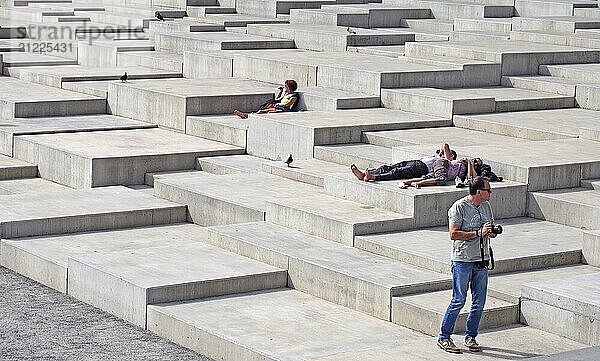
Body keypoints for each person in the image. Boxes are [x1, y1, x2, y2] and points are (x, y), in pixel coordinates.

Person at [437, 176, 498, 354]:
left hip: (481, 260)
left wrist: (490, 232)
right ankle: (444, 337)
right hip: (462, 260)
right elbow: (453, 234)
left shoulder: (486, 206)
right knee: (458, 300)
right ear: (479, 191)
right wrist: (478, 233)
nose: (491, 193)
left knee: (479, 303)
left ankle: (471, 336)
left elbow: (489, 227)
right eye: (488, 190)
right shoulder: (459, 207)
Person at [350, 144, 457, 182]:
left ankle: (373, 177)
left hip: (422, 168)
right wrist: (439, 153)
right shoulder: (437, 157)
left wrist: (444, 152)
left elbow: (445, 145)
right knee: (388, 167)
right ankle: (364, 174)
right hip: (416, 162)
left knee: (397, 172)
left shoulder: (448, 162)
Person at [399, 154, 478, 189]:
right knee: (441, 179)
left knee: (426, 178)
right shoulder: (462, 163)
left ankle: (405, 183)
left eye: (477, 164)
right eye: (474, 160)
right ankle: (418, 184)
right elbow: (445, 146)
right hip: (444, 164)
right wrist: (467, 162)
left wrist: (470, 165)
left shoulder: (467, 170)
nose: (475, 163)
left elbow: (471, 178)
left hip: (441, 169)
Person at [234, 79, 299, 119]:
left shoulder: (294, 96)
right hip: (279, 108)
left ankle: (246, 115)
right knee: (261, 111)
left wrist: (279, 104)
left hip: (284, 110)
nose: (285, 87)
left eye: (286, 86)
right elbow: (277, 99)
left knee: (269, 112)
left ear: (289, 87)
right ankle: (246, 115)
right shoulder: (286, 94)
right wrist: (281, 92)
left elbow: (288, 104)